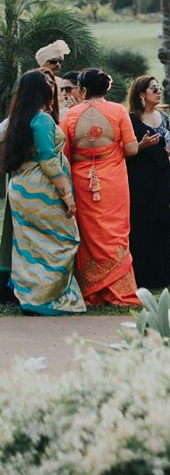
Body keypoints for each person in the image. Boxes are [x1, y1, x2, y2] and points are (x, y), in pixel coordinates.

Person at [2, 70, 85, 314]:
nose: (53, 87)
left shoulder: (17, 119)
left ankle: (29, 296)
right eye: (48, 84)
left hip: (20, 187)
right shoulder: (42, 120)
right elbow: (48, 161)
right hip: (42, 190)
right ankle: (47, 298)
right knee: (63, 239)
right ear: (42, 91)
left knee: (30, 245)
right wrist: (67, 196)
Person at [59, 68, 142, 306]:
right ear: (106, 88)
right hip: (113, 180)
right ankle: (120, 290)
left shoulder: (71, 115)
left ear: (83, 90)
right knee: (116, 231)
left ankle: (92, 290)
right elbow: (131, 148)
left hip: (82, 181)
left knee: (89, 233)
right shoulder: (118, 111)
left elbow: (63, 151)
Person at [125, 74, 170, 291]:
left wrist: (169, 148)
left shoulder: (163, 117)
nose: (158, 91)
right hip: (141, 179)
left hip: (163, 177)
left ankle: (164, 276)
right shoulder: (130, 120)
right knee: (142, 225)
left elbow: (167, 142)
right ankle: (143, 277)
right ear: (141, 94)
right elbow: (124, 152)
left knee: (163, 223)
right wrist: (141, 145)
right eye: (153, 88)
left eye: (159, 87)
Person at [34, 40, 71, 120]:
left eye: (60, 61)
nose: (58, 65)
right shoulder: (34, 81)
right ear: (42, 62)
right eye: (53, 61)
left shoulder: (61, 82)